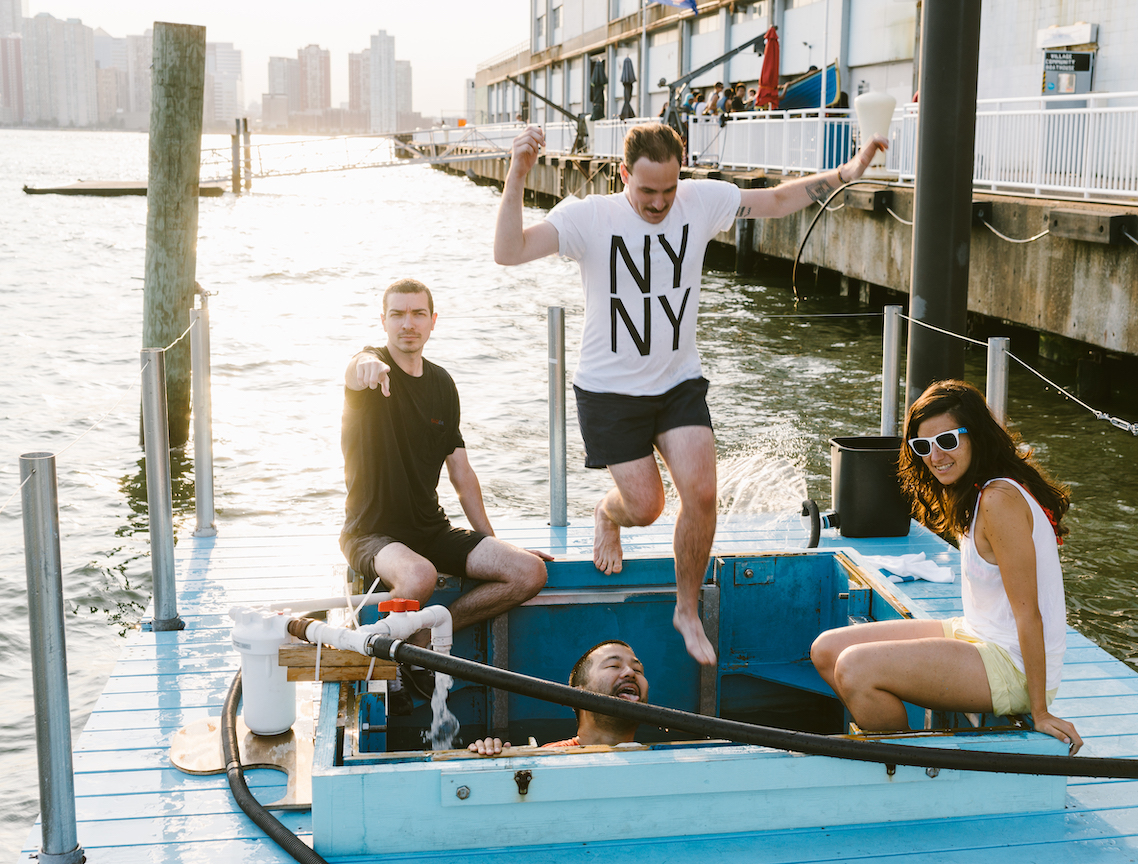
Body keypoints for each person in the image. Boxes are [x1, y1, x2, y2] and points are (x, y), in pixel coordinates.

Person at [493, 123, 889, 665]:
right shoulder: (588, 217)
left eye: (669, 190)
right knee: (647, 506)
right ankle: (607, 515)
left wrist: (847, 173)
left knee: (702, 493)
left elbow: (774, 200)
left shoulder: (700, 202)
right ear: (624, 174)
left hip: (677, 382)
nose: (659, 203)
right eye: (646, 191)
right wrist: (518, 173)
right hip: (609, 391)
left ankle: (685, 608)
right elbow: (508, 251)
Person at [810, 381, 1083, 755]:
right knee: (827, 649)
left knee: (856, 669)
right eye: (923, 447)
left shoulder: (999, 500)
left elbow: (1029, 614)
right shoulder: (976, 490)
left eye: (948, 441)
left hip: (1011, 664)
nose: (935, 456)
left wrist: (1040, 711)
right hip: (975, 633)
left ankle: (908, 767)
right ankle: (899, 743)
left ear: (977, 435)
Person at [340, 278, 550, 631]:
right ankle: (383, 655)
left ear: (433, 321)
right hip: (370, 532)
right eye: (398, 314)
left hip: (431, 530)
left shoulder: (442, 384)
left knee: (529, 570)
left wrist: (491, 541)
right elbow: (357, 369)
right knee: (420, 575)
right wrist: (364, 366)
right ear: (383, 321)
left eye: (418, 313)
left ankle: (432, 634)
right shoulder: (373, 370)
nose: (408, 323)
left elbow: (462, 475)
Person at [469, 639, 648, 754]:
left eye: (638, 669)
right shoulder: (543, 760)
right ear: (579, 694)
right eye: (614, 666)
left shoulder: (665, 757)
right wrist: (489, 756)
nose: (630, 673)